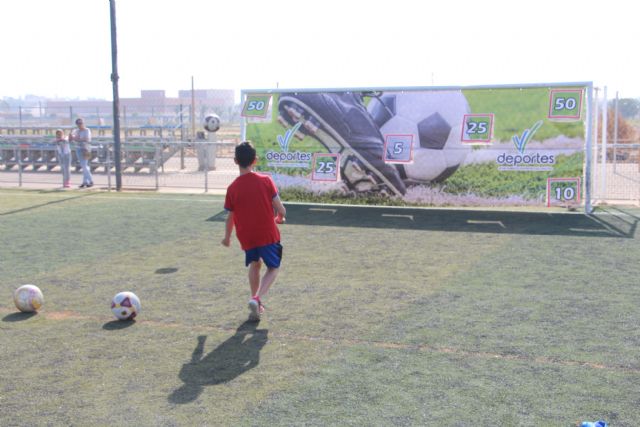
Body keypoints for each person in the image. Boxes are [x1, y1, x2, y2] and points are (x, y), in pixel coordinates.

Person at [221, 141, 286, 321]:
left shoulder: (232, 188)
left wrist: (227, 238)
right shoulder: (265, 181)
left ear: (235, 161)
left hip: (246, 237)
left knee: (255, 264)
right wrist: (279, 218)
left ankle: (255, 305)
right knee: (273, 268)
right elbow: (281, 209)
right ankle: (256, 298)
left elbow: (230, 217)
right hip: (267, 234)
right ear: (255, 160)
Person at [69, 117, 93, 188]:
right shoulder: (76, 131)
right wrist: (71, 136)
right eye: (78, 124)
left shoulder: (87, 130)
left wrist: (76, 138)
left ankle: (90, 181)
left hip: (86, 149)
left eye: (80, 123)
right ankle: (85, 182)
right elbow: (72, 138)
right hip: (79, 149)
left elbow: (86, 138)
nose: (79, 125)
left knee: (84, 165)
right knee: (83, 166)